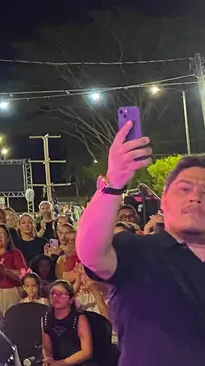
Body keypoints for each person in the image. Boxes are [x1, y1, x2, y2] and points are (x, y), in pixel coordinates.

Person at [77, 123, 205, 366]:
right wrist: (113, 183)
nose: (195, 197)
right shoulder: (136, 251)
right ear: (163, 201)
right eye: (184, 189)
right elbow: (91, 252)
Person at [41, 280, 96, 366]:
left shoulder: (80, 319)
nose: (56, 297)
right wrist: (49, 359)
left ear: (71, 299)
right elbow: (47, 347)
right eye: (53, 294)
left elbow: (86, 352)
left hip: (77, 362)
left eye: (61, 295)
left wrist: (62, 363)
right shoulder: (46, 318)